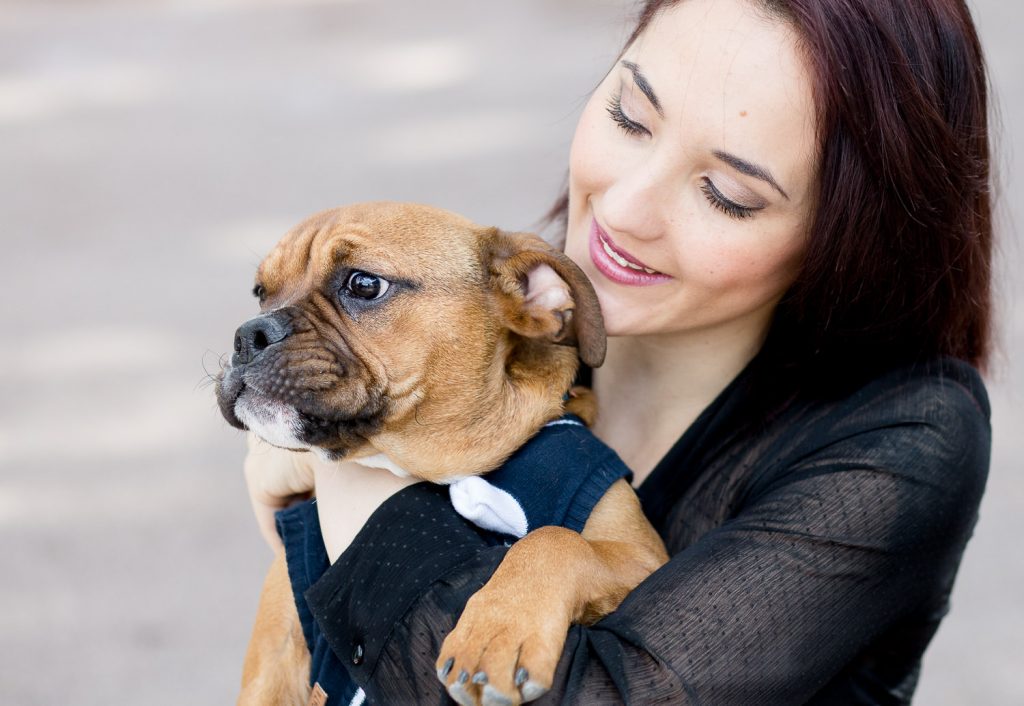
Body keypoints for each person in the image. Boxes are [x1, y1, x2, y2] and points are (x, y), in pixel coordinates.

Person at [243, 0, 994, 702]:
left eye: (727, 193)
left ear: (850, 235)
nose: (626, 208)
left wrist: (348, 481)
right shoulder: (481, 330)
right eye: (630, 117)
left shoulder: (908, 436)